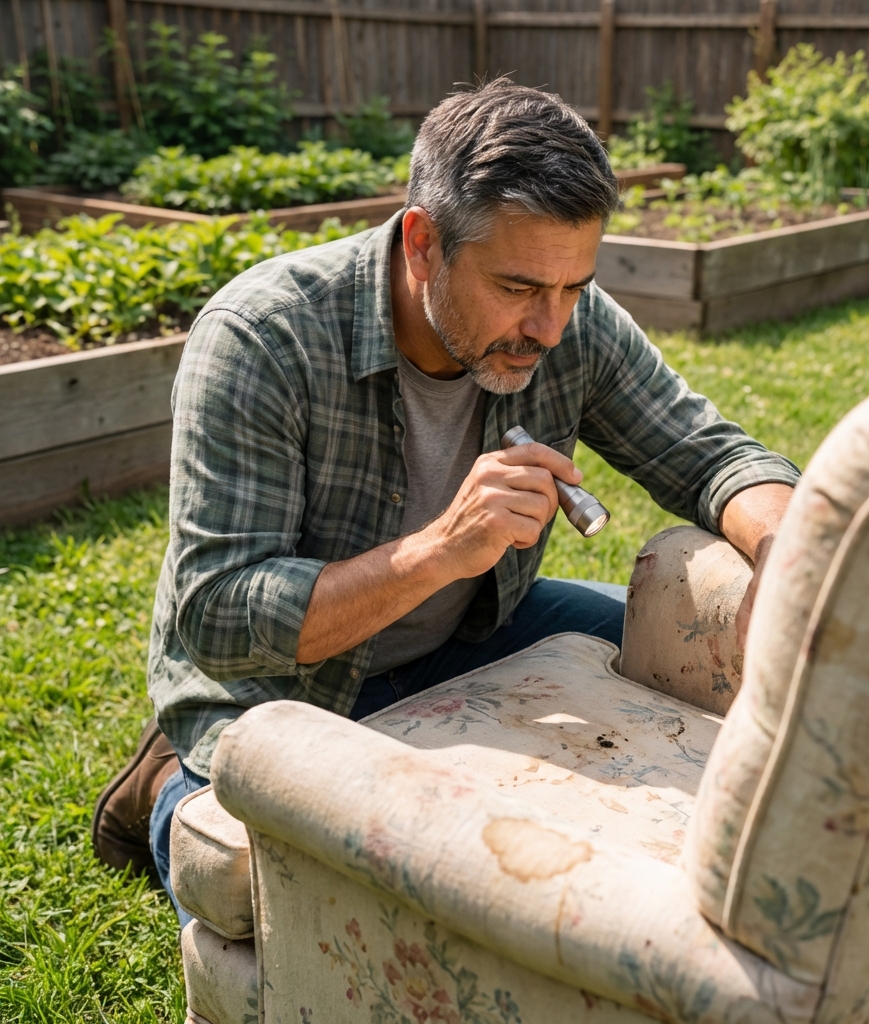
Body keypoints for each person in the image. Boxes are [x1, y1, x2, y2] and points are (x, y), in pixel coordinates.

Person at [91, 79, 799, 921]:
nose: (552, 327)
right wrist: (440, 549)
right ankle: (168, 778)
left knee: (673, 650)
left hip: (475, 632)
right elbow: (217, 614)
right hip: (279, 690)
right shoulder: (261, 337)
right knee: (330, 897)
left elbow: (708, 453)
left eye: (575, 286)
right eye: (519, 289)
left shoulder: (569, 317)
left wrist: (788, 554)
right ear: (424, 244)